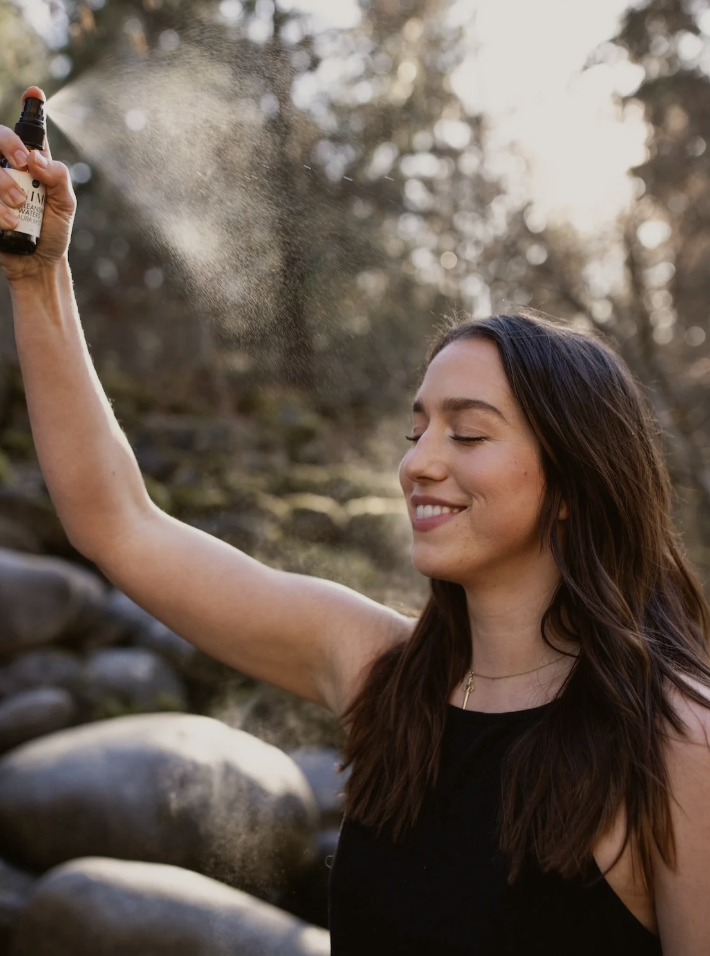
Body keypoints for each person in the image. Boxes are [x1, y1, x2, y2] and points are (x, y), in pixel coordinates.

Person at [1, 87, 709, 956]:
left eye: (469, 432)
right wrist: (39, 277)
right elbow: (118, 524)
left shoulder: (673, 743)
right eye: (417, 430)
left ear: (574, 478)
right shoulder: (383, 677)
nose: (419, 461)